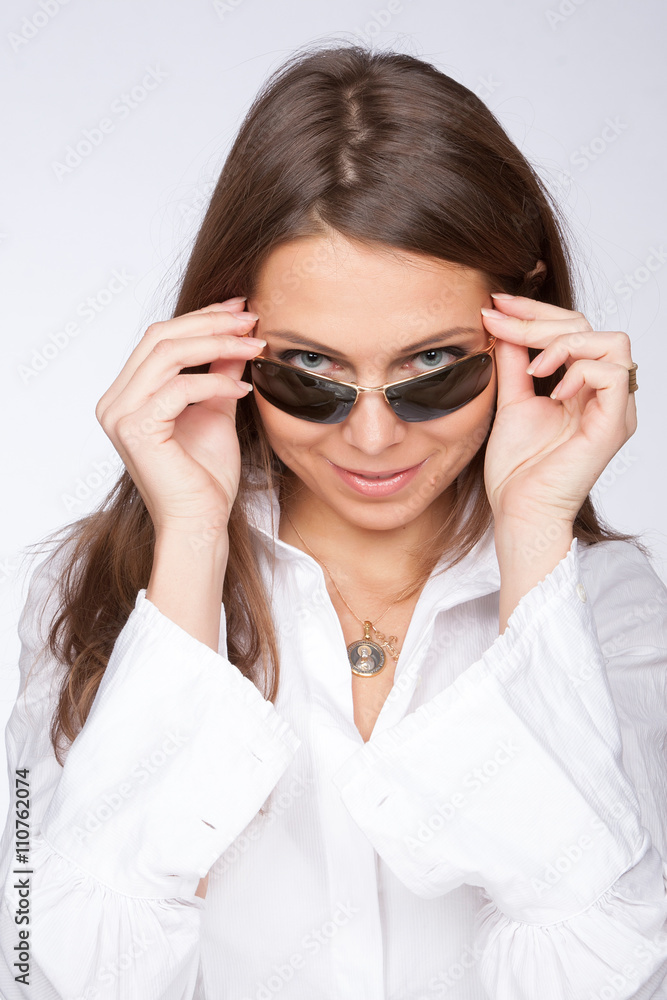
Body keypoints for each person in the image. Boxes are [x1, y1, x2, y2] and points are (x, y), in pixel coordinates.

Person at [1, 41, 666, 1000]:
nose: (372, 437)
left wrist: (532, 533)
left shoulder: (607, 608)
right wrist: (188, 538)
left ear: (522, 323)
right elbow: (48, 971)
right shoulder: (94, 590)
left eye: (432, 367)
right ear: (228, 335)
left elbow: (612, 969)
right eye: (310, 370)